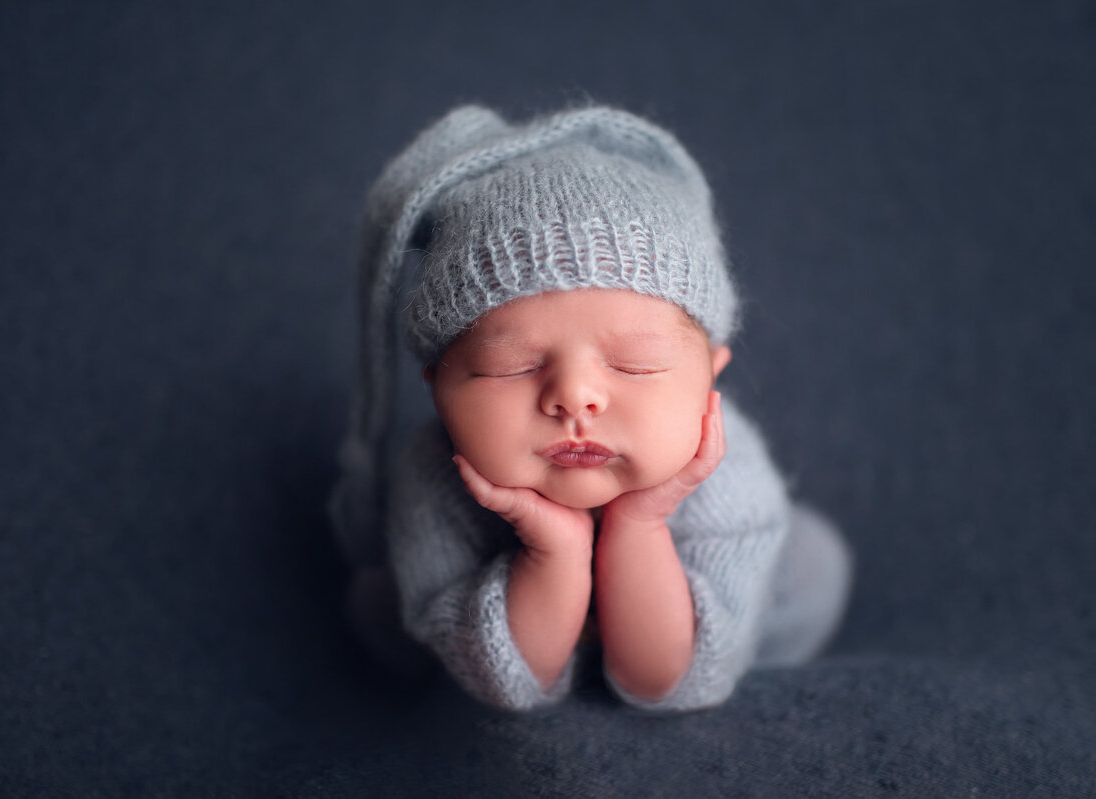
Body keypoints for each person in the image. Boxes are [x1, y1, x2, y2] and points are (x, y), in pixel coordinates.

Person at [332, 104, 852, 712]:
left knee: (811, 567)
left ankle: (754, 663)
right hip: (501, 649)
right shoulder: (433, 480)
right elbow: (506, 681)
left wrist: (640, 523)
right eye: (512, 366)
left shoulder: (727, 473)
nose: (575, 397)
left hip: (680, 634)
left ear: (708, 378)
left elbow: (661, 678)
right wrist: (552, 548)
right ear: (439, 389)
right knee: (380, 609)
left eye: (635, 364)